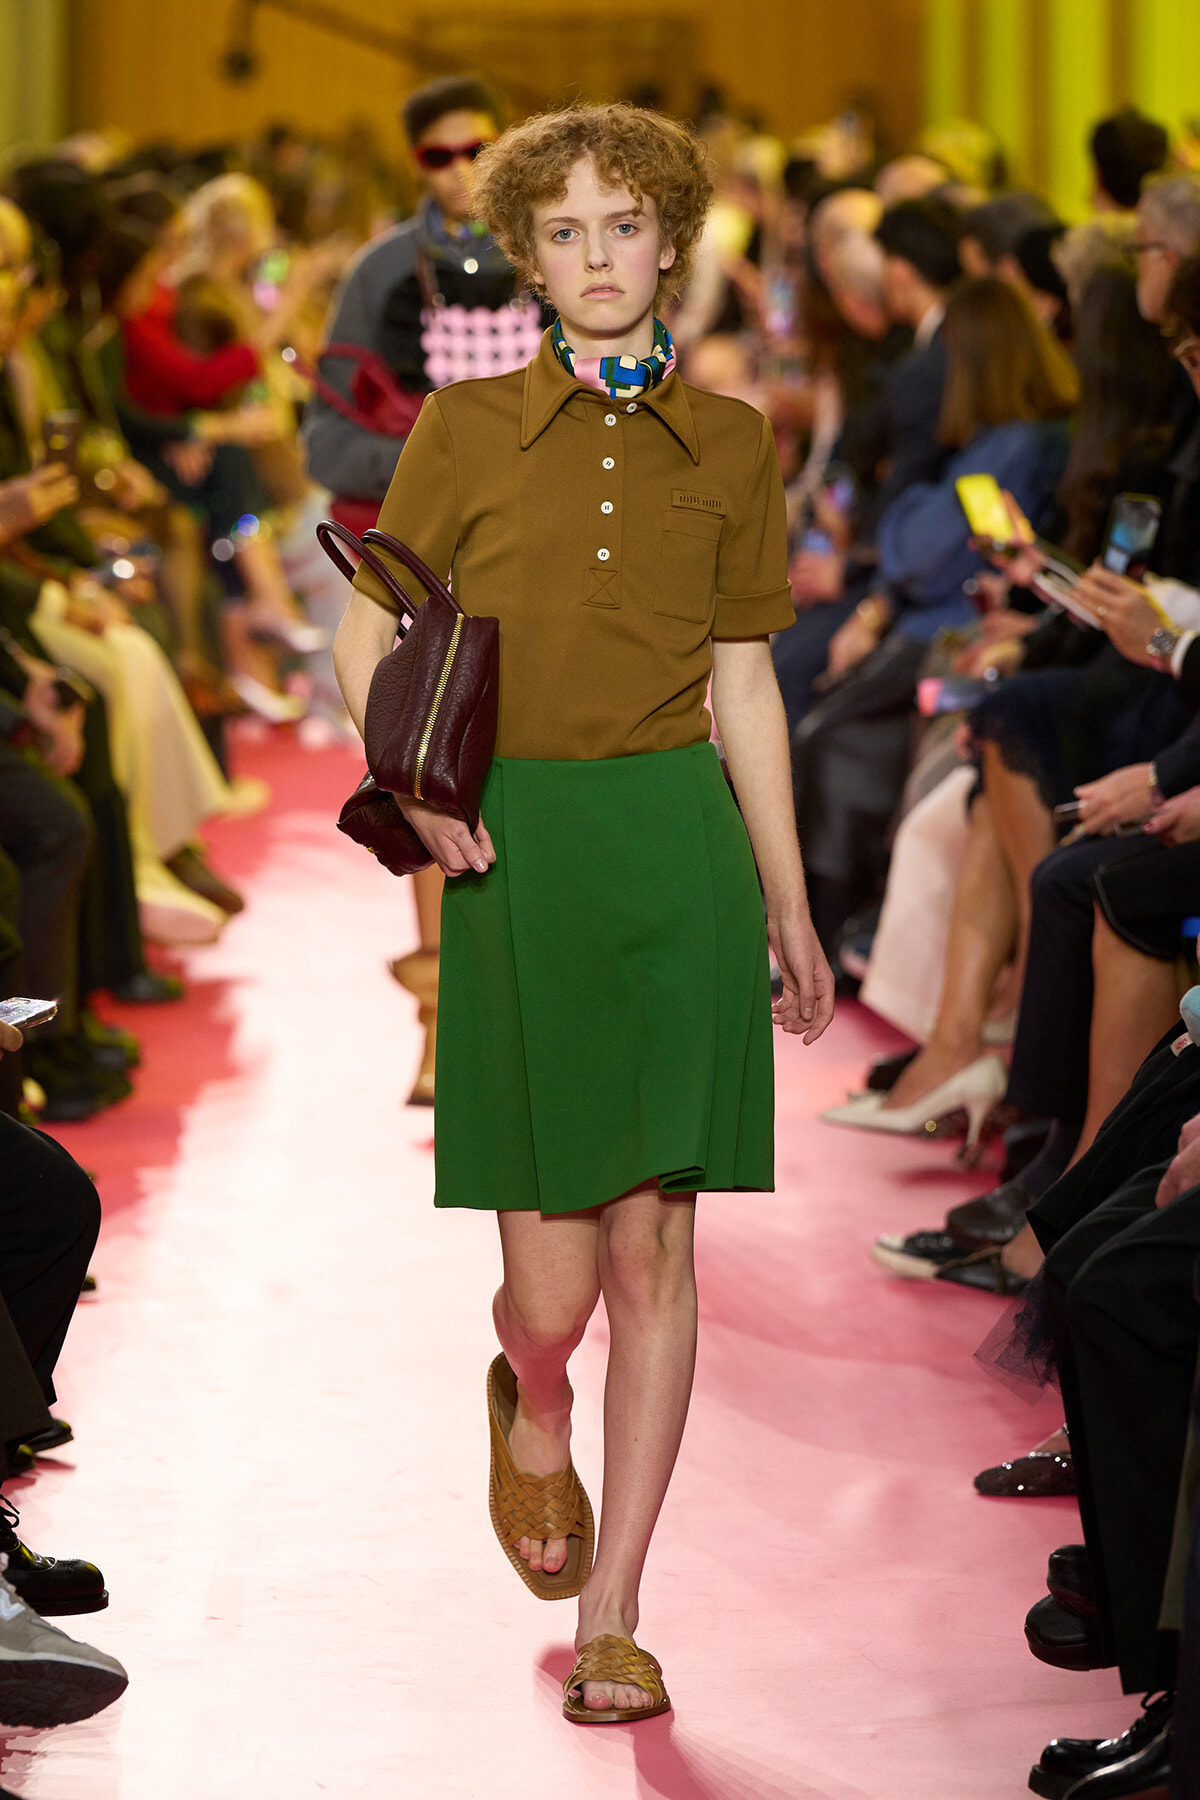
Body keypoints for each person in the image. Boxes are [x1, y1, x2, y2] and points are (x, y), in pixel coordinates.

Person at [333, 101, 833, 1723]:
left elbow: (747, 680)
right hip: (516, 855)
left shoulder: (737, 439)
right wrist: (411, 789)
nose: (600, 257)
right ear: (528, 255)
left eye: (627, 227)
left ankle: (618, 1603)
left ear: (672, 242)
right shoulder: (467, 428)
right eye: (568, 231)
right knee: (551, 1295)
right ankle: (531, 1400)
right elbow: (374, 625)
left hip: (673, 851)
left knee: (655, 1247)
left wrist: (789, 898)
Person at [305, 74, 547, 1106]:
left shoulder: (553, 255)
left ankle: (530, 1014)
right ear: (417, 165)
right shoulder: (378, 276)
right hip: (410, 563)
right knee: (433, 780)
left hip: (537, 553)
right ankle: (446, 1028)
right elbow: (324, 435)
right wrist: (438, 464)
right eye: (439, 156)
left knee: (535, 778)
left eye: (477, 148)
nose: (461, 170)